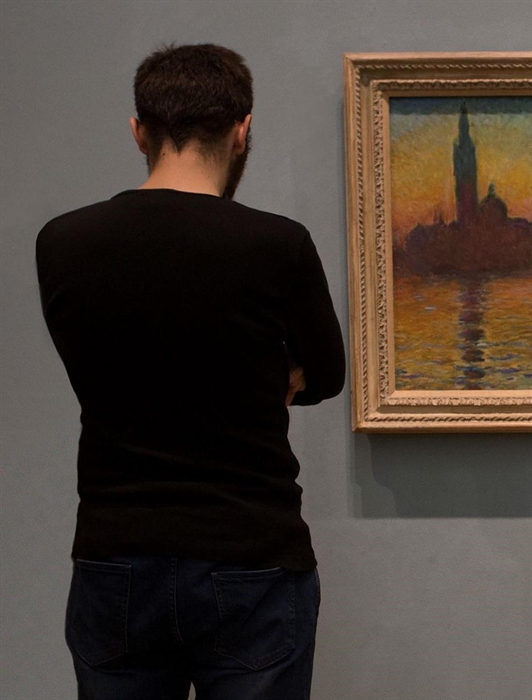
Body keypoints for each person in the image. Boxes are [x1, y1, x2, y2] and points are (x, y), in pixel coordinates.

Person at [35, 43, 345, 699]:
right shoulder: (276, 244)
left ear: (139, 130)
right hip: (251, 554)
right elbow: (326, 374)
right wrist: (265, 377)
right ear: (242, 129)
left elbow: (96, 360)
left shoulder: (63, 242)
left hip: (115, 554)